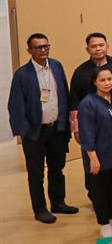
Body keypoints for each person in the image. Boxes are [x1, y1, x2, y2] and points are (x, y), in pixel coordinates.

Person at [7, 33, 76, 224]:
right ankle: (40, 209)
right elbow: (15, 105)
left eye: (46, 46)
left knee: (57, 168)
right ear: (29, 50)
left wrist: (67, 122)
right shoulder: (22, 74)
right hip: (35, 132)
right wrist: (24, 132)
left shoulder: (56, 66)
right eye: (38, 47)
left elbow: (64, 94)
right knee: (36, 173)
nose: (43, 50)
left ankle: (58, 202)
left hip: (57, 130)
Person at [78, 66, 112, 238]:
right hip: (98, 154)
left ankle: (111, 218)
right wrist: (93, 157)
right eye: (102, 80)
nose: (107, 83)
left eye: (109, 79)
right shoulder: (88, 103)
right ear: (95, 82)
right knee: (100, 190)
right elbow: (86, 132)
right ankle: (103, 224)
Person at [69, 32, 112, 144]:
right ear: (87, 49)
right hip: (93, 124)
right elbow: (74, 101)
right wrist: (76, 129)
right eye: (93, 46)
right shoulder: (80, 72)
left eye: (101, 45)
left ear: (107, 46)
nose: (98, 49)